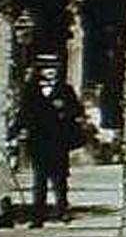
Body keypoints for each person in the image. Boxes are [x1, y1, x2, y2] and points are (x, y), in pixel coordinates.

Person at [14, 56, 88, 227]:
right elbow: (24, 112)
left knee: (60, 177)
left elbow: (77, 110)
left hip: (59, 140)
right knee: (39, 179)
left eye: (53, 68)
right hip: (38, 140)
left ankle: (62, 210)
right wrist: (19, 130)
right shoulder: (31, 90)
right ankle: (38, 216)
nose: (50, 71)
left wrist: (64, 109)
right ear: (39, 71)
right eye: (46, 68)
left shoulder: (65, 89)